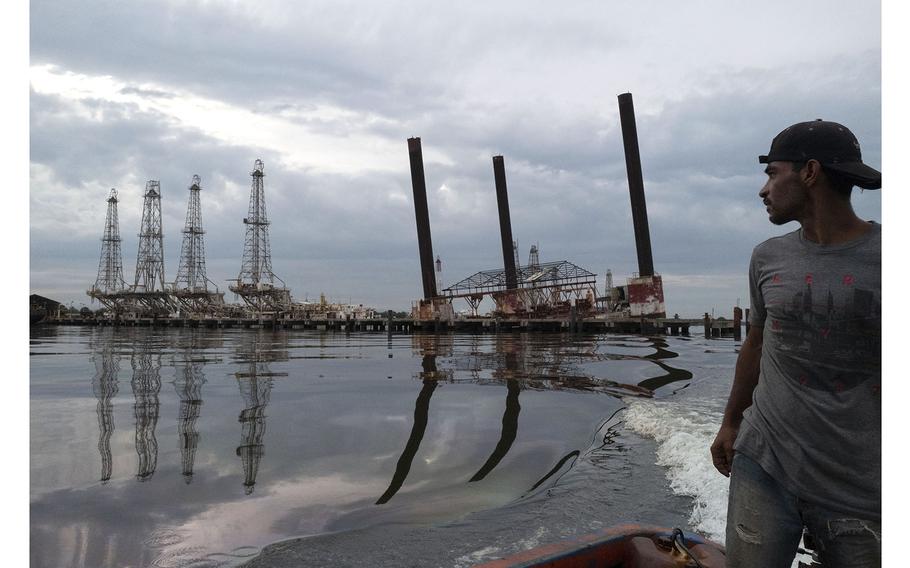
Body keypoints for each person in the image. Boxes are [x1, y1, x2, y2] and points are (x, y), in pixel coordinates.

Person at [710, 119, 881, 567]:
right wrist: (731, 422)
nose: (763, 190)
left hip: (863, 482)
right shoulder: (767, 256)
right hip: (764, 460)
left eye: (772, 173)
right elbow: (757, 342)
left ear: (809, 172)